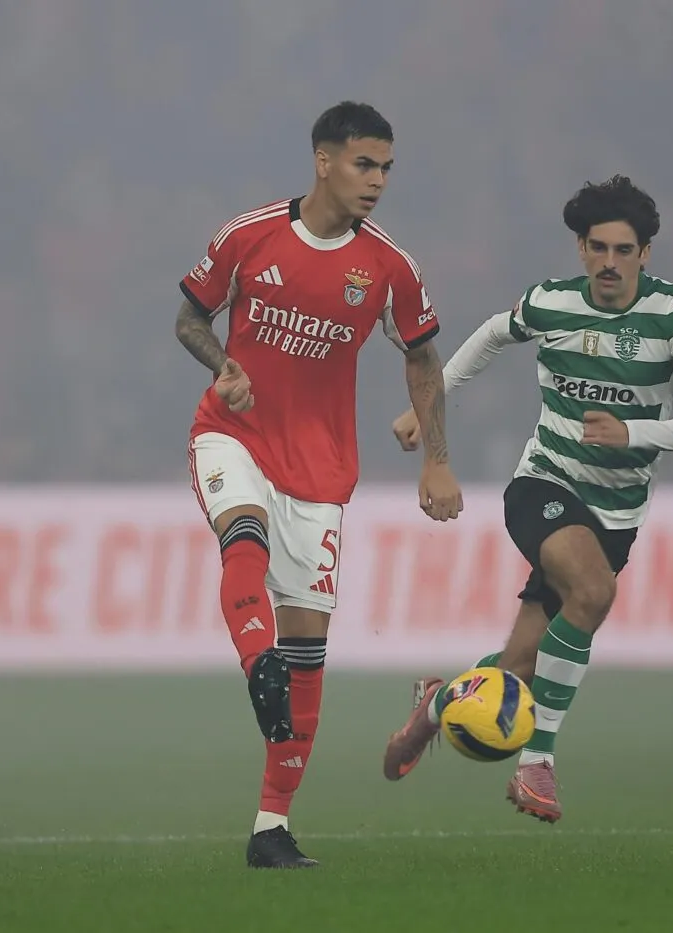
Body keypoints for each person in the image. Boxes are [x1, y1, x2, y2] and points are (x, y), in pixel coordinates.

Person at [379, 175, 673, 822]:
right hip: (545, 483)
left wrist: (633, 433)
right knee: (593, 591)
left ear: (646, 254)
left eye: (624, 250)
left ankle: (437, 704)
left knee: (519, 667)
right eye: (598, 248)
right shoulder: (552, 302)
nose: (609, 263)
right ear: (580, 248)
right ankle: (537, 761)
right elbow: (490, 335)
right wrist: (426, 408)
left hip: (616, 514)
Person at [173, 101, 463, 867]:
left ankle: (271, 827)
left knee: (308, 652)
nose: (377, 180)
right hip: (233, 433)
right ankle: (254, 660)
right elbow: (190, 320)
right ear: (324, 161)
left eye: (386, 168)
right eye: (364, 164)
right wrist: (223, 365)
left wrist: (437, 458)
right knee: (243, 533)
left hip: (321, 470)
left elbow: (423, 357)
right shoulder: (248, 236)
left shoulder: (390, 267)